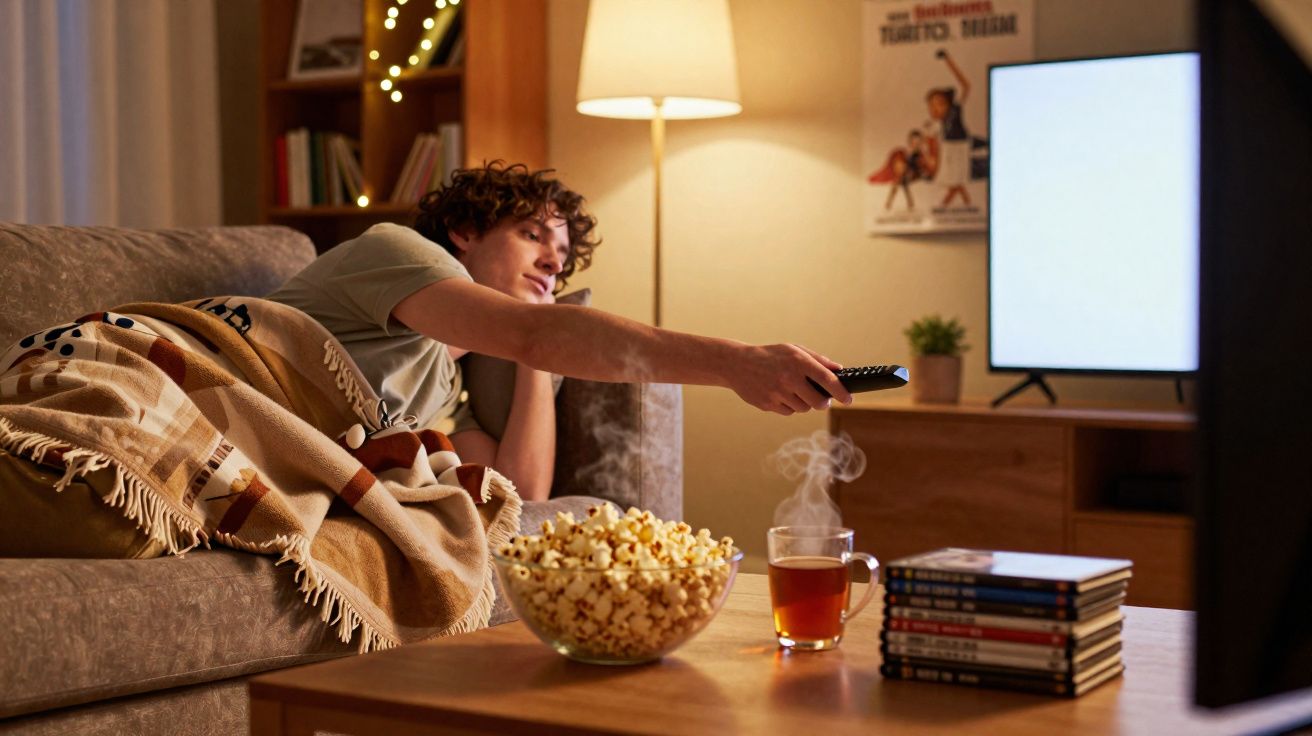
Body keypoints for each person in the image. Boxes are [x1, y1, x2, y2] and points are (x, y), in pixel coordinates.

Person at [268, 162, 852, 502]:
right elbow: (534, 333)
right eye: (532, 235)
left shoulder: (447, 384)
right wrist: (736, 364)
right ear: (465, 230)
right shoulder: (394, 251)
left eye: (564, 255)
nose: (554, 263)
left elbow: (522, 495)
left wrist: (536, 360)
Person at [925, 48, 973, 208]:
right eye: (932, 105)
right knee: (952, 180)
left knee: (955, 180)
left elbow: (966, 85)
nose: (935, 108)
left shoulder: (955, 107)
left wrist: (948, 60)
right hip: (948, 146)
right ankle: (964, 203)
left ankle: (945, 205)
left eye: (939, 103)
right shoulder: (939, 121)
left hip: (959, 145)